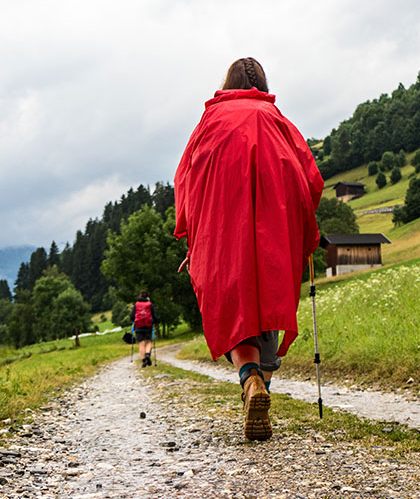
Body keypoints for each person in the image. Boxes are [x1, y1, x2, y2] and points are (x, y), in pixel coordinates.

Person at [174, 57, 323, 440]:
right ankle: (259, 390)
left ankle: (250, 378)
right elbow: (311, 178)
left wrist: (193, 232)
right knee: (269, 304)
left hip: (223, 233)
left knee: (234, 308)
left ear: (227, 83)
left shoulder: (210, 123)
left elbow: (186, 181)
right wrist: (302, 228)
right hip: (275, 229)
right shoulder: (278, 121)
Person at [130, 290, 158, 367]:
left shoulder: (136, 304)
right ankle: (147, 354)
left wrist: (135, 321)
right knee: (148, 342)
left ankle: (143, 361)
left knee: (141, 343)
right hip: (148, 326)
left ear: (140, 296)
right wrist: (152, 321)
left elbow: (132, 316)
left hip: (138, 327)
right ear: (147, 297)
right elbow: (155, 317)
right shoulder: (150, 304)